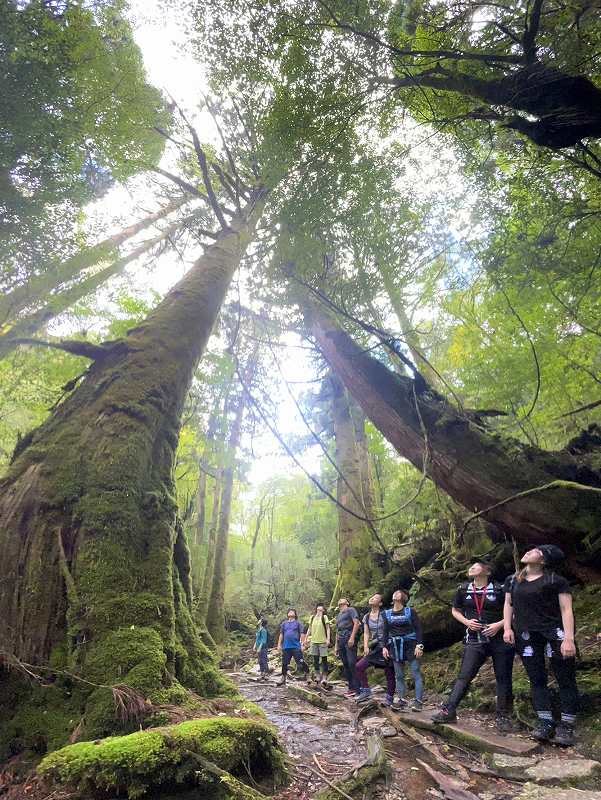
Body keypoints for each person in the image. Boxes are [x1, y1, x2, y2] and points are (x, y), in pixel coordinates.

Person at [503, 544, 579, 746]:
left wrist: (569, 639)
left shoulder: (555, 580)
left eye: (537, 551)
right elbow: (508, 605)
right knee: (536, 678)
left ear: (544, 560)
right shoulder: (512, 580)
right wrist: (507, 628)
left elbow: (566, 610)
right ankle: (544, 721)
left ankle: (567, 724)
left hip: (555, 634)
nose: (529, 551)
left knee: (565, 678)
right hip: (526, 636)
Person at [431, 560, 515, 732]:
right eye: (470, 567)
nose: (471, 568)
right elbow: (455, 610)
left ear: (487, 571)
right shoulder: (463, 589)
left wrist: (499, 625)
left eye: (475, 566)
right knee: (464, 675)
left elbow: (513, 611)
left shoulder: (500, 589)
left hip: (499, 638)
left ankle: (503, 717)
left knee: (503, 677)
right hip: (474, 638)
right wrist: (467, 622)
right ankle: (449, 710)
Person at [382, 589, 424, 711]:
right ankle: (401, 700)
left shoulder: (410, 611)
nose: (395, 593)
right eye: (394, 592)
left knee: (415, 672)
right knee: (399, 675)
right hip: (395, 646)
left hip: (411, 644)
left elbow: (418, 629)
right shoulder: (386, 614)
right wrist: (384, 647)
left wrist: (419, 645)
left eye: (399, 592)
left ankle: (418, 702)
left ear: (404, 597)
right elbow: (385, 631)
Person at [355, 593, 396, 706]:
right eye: (372, 597)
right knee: (359, 666)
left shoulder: (385, 615)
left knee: (389, 672)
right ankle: (366, 690)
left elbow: (391, 630)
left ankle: (389, 698)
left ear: (380, 603)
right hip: (374, 647)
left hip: (387, 645)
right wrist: (366, 646)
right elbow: (367, 633)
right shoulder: (366, 617)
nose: (372, 598)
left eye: (376, 598)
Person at [335, 597, 361, 697]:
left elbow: (356, 623)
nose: (340, 601)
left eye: (343, 600)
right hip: (341, 640)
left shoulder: (351, 610)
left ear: (347, 603)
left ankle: (358, 688)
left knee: (352, 663)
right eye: (339, 601)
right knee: (345, 664)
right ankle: (351, 688)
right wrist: (336, 646)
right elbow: (337, 631)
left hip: (349, 637)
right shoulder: (338, 615)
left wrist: (352, 638)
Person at [276, 608, 309, 686]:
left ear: (295, 614)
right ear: (287, 614)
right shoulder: (284, 624)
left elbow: (302, 634)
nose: (290, 612)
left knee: (300, 661)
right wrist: (279, 644)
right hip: (286, 646)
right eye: (289, 611)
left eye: (292, 611)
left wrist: (303, 645)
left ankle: (307, 675)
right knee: (284, 663)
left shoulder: (298, 623)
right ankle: (283, 678)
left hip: (296, 646)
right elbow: (281, 634)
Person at [305, 603, 331, 686]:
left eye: (321, 610)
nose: (319, 611)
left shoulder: (324, 617)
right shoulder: (312, 617)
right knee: (315, 660)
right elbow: (309, 629)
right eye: (318, 609)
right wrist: (306, 638)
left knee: (324, 659)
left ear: (323, 610)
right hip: (314, 641)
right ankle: (317, 675)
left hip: (322, 641)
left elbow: (328, 629)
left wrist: (328, 639)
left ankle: (324, 677)